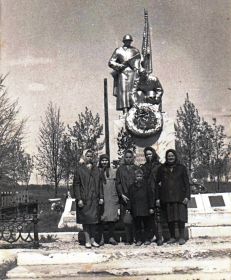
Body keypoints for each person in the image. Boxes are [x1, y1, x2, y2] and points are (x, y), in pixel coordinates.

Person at [156, 149, 190, 245]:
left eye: (172, 156)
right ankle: (172, 237)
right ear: (166, 157)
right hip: (167, 197)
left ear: (175, 156)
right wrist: (158, 198)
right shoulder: (162, 168)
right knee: (169, 218)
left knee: (181, 217)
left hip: (180, 197)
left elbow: (186, 183)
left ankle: (182, 237)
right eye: (168, 156)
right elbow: (157, 184)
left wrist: (187, 196)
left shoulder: (181, 168)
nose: (170, 158)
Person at [73, 150, 104, 248]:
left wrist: (101, 197)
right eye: (88, 156)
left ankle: (93, 240)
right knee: (86, 221)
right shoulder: (79, 170)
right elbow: (76, 185)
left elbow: (100, 185)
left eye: (91, 156)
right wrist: (79, 199)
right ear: (84, 157)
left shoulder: (97, 170)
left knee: (94, 221)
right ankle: (87, 240)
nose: (89, 158)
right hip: (84, 199)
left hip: (94, 199)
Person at [108, 34, 141, 114]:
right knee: (123, 91)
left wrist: (134, 65)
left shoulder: (135, 51)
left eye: (129, 41)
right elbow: (111, 62)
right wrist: (119, 65)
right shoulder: (118, 50)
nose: (128, 42)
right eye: (126, 41)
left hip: (133, 72)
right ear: (123, 41)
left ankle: (133, 111)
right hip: (122, 72)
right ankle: (125, 111)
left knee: (132, 92)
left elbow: (139, 62)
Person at [141, 147, 163, 246]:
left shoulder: (159, 166)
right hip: (147, 195)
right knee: (148, 217)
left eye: (150, 154)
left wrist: (158, 197)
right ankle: (151, 236)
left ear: (153, 154)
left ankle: (159, 237)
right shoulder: (144, 167)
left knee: (157, 217)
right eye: (146, 155)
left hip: (156, 193)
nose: (148, 156)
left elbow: (161, 182)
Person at [116, 149, 138, 244]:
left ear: (133, 158)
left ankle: (136, 238)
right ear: (124, 158)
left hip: (134, 197)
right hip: (124, 197)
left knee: (135, 218)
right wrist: (121, 194)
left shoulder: (136, 168)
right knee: (126, 219)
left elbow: (139, 182)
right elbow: (118, 183)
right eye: (126, 157)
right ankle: (128, 238)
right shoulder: (120, 169)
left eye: (130, 157)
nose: (128, 159)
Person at [127, 169, 154, 246]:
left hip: (145, 209)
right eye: (137, 176)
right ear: (135, 177)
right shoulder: (131, 187)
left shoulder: (147, 186)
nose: (139, 177)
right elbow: (130, 198)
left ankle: (147, 239)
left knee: (146, 225)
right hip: (136, 209)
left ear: (143, 177)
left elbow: (150, 197)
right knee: (137, 225)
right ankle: (138, 239)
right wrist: (129, 208)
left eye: (140, 176)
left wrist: (151, 207)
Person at [98, 154, 119, 246]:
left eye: (106, 160)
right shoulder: (97, 171)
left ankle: (111, 237)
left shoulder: (114, 171)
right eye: (102, 160)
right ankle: (101, 238)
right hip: (102, 198)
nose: (104, 162)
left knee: (112, 219)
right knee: (102, 219)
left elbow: (117, 185)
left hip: (112, 197)